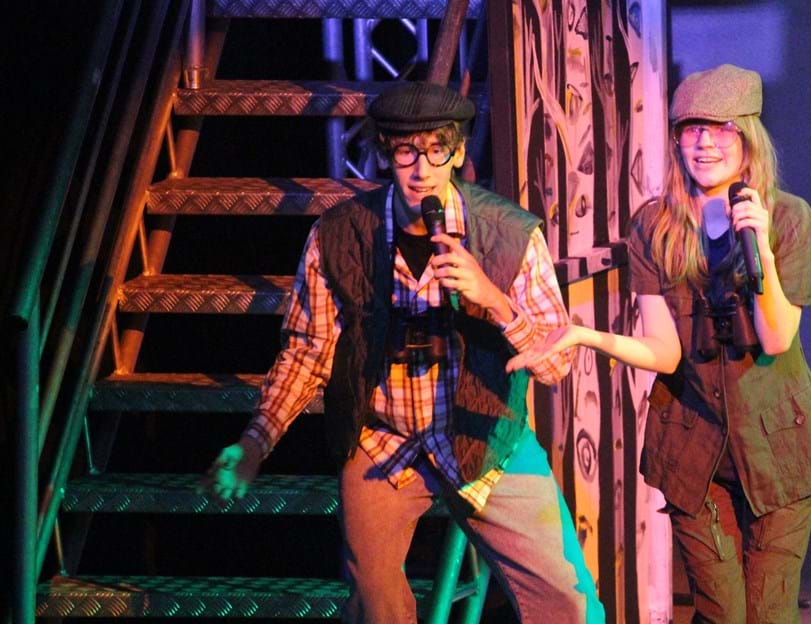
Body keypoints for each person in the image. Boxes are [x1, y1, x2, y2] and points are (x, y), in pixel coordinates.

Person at [204, 81, 604, 624]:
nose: (421, 169)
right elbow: (308, 352)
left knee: (568, 600)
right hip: (381, 437)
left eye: (437, 149)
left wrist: (493, 299)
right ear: (384, 153)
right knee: (375, 605)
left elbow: (556, 364)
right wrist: (255, 441)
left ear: (457, 153)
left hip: (481, 433)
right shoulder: (339, 234)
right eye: (405, 151)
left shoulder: (508, 234)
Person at [507, 64, 811, 623]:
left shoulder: (788, 219)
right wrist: (585, 334)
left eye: (722, 128)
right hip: (692, 448)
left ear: (748, 137)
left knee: (768, 613)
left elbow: (777, 337)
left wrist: (759, 247)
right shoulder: (655, 226)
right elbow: (665, 353)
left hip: (781, 450)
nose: (705, 143)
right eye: (692, 129)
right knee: (722, 613)